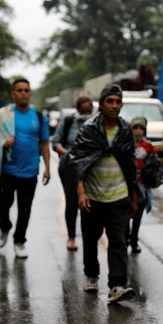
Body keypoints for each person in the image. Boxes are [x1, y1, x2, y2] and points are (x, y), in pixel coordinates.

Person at [67, 83, 140, 302]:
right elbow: (76, 162)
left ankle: (117, 285)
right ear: (101, 103)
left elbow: (130, 164)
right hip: (92, 197)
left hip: (118, 196)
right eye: (110, 101)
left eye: (118, 102)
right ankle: (91, 275)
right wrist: (80, 192)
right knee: (90, 240)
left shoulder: (126, 130)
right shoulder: (90, 129)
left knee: (118, 242)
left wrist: (134, 196)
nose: (114, 106)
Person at [0, 78, 51, 259]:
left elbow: (45, 143)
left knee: (25, 208)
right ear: (13, 94)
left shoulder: (38, 116)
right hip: (8, 171)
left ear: (30, 93)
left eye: (26, 90)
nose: (23, 93)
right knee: (2, 204)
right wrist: (3, 143)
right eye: (19, 90)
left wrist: (47, 168)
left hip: (30, 171)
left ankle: (19, 241)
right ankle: (5, 228)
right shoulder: (4, 114)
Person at [52, 95, 94, 251]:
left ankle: (89, 236)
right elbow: (55, 142)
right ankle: (71, 237)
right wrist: (67, 154)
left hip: (90, 169)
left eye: (88, 110)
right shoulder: (69, 122)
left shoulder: (96, 123)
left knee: (89, 202)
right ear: (78, 110)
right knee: (72, 201)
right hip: (69, 168)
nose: (86, 113)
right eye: (83, 111)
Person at [126, 116, 157, 254]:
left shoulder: (149, 147)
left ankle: (134, 241)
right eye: (135, 128)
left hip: (142, 187)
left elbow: (155, 165)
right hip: (127, 186)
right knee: (126, 215)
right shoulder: (126, 145)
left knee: (137, 216)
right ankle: (125, 238)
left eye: (141, 128)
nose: (138, 131)